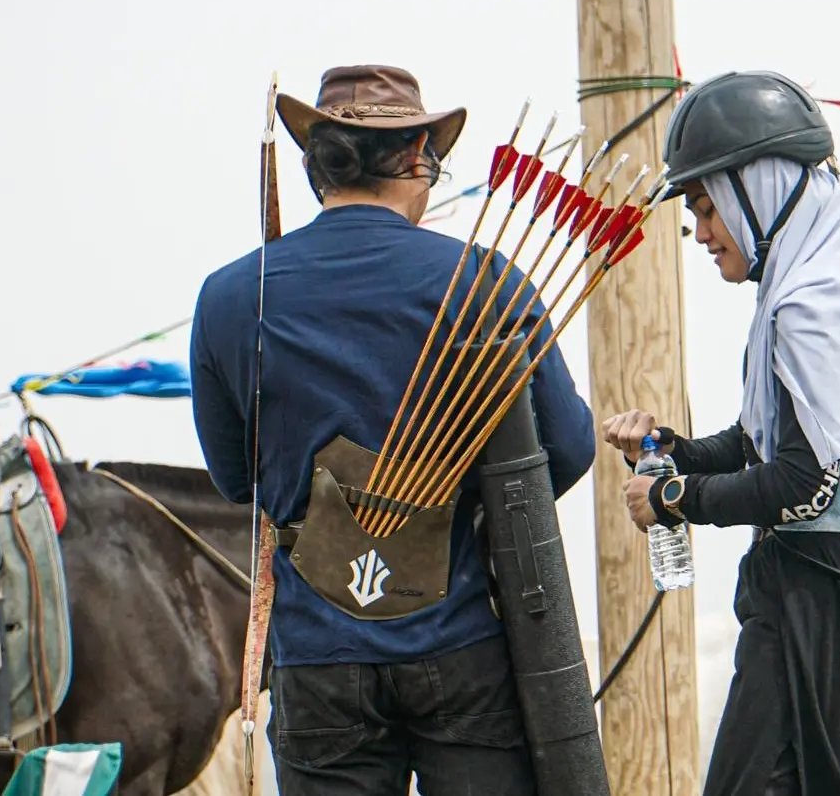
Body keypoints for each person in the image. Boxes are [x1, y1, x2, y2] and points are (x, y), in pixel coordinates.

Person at [188, 64, 595, 796]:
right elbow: (566, 449)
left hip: (318, 656)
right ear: (415, 158)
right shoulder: (484, 280)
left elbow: (235, 479)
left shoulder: (229, 296)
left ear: (318, 167)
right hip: (461, 639)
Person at [601, 70, 840, 796]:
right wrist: (669, 451)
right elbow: (760, 447)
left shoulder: (816, 307)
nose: (701, 234)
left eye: (707, 208)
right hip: (796, 588)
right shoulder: (796, 295)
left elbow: (805, 485)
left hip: (837, 600)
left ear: (761, 190)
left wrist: (674, 498)